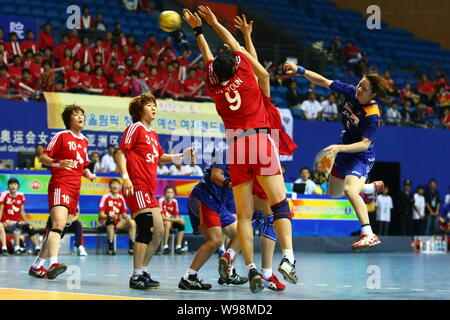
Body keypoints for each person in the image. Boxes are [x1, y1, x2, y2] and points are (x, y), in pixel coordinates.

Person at [184, 6, 297, 293]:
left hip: (236, 147)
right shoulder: (252, 81)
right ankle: (289, 258)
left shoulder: (214, 87)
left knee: (245, 217)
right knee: (280, 206)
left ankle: (251, 268)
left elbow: (211, 59)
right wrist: (217, 24)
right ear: (237, 67)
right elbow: (248, 59)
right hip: (260, 143)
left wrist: (200, 30)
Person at [284, 58, 388, 251]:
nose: (358, 89)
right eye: (359, 84)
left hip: (360, 155)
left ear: (373, 94)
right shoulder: (351, 92)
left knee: (349, 190)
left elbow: (365, 144)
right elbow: (323, 81)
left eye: (363, 89)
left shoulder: (372, 115)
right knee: (334, 193)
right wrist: (300, 69)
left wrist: (339, 148)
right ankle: (368, 188)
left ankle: (368, 233)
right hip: (345, 150)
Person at [116, 93, 194, 290]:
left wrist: (181, 156)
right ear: (139, 110)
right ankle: (135, 276)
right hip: (137, 185)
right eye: (149, 105)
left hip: (149, 191)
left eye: (154, 105)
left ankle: (142, 272)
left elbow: (161, 157)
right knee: (146, 227)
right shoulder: (136, 128)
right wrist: (125, 177)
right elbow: (120, 153)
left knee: (158, 232)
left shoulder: (152, 134)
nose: (153, 108)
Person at [28, 105, 96, 279]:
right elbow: (43, 156)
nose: (80, 117)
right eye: (76, 115)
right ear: (69, 119)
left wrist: (88, 174)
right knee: (58, 224)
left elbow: (83, 165)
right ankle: (53, 264)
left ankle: (37, 266)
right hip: (60, 184)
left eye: (82, 114)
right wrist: (58, 163)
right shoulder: (61, 136)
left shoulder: (85, 141)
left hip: (75, 189)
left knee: (58, 229)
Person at [182, 158, 247, 290]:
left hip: (218, 203)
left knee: (242, 234)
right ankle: (189, 277)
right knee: (215, 240)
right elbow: (215, 176)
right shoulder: (225, 152)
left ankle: (227, 273)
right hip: (204, 198)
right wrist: (234, 184)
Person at [0, 178, 41, 255]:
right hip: (7, 222)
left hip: (18, 221)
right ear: (8, 186)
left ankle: (37, 248)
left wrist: (27, 222)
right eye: (11, 184)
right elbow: (1, 209)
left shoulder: (21, 195)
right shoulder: (4, 194)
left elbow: (22, 211)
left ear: (18, 186)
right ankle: (17, 248)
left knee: (29, 227)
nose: (13, 186)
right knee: (17, 225)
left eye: (15, 184)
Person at [98, 178, 135, 255]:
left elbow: (124, 214)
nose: (115, 186)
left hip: (117, 222)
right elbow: (101, 214)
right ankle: (110, 247)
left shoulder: (121, 198)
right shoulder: (105, 197)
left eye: (117, 184)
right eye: (113, 184)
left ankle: (132, 246)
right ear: (110, 186)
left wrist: (128, 218)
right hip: (106, 221)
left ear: (120, 186)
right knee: (110, 222)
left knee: (132, 222)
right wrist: (109, 216)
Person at [159, 186, 186, 254]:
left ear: (174, 194)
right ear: (164, 193)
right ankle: (165, 246)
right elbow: (162, 217)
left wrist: (178, 220)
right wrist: (176, 220)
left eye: (171, 192)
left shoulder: (174, 201)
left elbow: (176, 216)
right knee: (167, 223)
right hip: (161, 222)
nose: (169, 194)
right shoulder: (161, 201)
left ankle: (178, 247)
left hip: (170, 221)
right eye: (168, 192)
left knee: (181, 225)